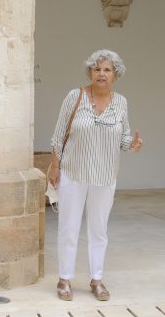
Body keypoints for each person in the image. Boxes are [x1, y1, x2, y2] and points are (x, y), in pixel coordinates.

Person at [49, 50, 143, 301]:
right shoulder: (75, 96)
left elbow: (124, 137)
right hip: (73, 172)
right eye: (97, 69)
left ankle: (97, 279)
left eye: (107, 70)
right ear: (90, 72)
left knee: (98, 229)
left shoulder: (121, 102)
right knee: (68, 228)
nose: (101, 73)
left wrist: (131, 146)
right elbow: (59, 135)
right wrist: (55, 167)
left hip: (105, 175)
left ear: (115, 75)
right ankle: (64, 279)